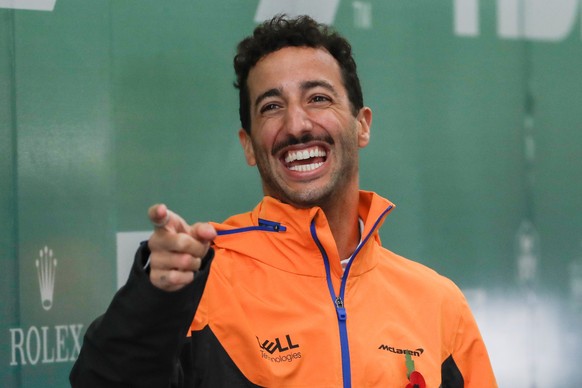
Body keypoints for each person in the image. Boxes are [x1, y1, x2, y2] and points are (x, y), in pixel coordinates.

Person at [70, 14, 497, 387]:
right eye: (271, 106)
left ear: (362, 126)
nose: (296, 125)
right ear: (249, 146)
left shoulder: (438, 303)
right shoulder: (202, 285)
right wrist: (156, 296)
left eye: (318, 98)